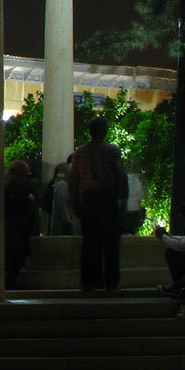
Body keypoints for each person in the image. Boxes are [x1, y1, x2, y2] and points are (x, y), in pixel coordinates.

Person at [67, 116, 129, 292]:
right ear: (104, 131)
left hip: (89, 200)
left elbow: (74, 181)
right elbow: (121, 177)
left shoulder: (80, 152)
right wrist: (123, 202)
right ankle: (111, 282)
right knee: (110, 243)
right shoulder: (112, 151)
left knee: (89, 243)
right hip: (108, 201)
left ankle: (89, 282)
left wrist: (75, 204)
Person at [3, 160, 39, 288]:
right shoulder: (22, 186)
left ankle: (9, 280)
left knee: (12, 254)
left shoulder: (7, 184)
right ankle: (10, 281)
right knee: (17, 255)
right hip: (19, 226)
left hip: (10, 225)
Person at [44, 162, 80, 237]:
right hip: (64, 229)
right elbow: (63, 208)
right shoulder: (62, 186)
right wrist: (69, 223)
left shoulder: (62, 186)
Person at [123, 162, 147, 235]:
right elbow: (140, 197)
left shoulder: (123, 179)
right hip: (132, 212)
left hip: (126, 211)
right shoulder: (136, 181)